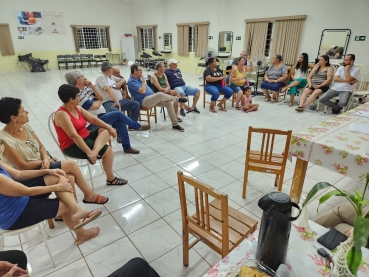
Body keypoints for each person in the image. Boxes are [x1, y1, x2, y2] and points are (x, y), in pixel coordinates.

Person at [0, 97, 108, 205]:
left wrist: (46, 158)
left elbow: (41, 146)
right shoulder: (4, 139)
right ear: (14, 118)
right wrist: (46, 162)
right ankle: (89, 196)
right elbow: (22, 166)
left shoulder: (24, 126)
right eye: (23, 111)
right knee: (70, 165)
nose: (27, 112)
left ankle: (70, 211)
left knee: (70, 177)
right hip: (27, 176)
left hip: (43, 165)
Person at [0, 160, 102, 245]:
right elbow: (26, 191)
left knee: (60, 177)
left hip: (19, 198)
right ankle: (81, 234)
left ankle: (76, 210)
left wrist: (48, 171)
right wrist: (57, 187)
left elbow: (19, 174)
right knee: (66, 206)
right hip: (13, 215)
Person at [54, 84, 128, 186]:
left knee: (106, 130)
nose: (79, 98)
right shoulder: (62, 114)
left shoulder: (77, 108)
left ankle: (95, 151)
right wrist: (88, 152)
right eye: (77, 96)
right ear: (71, 99)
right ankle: (111, 179)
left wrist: (108, 126)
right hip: (72, 145)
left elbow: (93, 119)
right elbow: (74, 136)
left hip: (86, 136)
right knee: (108, 151)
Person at [65, 71, 149, 155]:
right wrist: (98, 101)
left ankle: (127, 148)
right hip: (93, 121)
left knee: (121, 123)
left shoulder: (87, 87)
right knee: (118, 114)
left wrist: (92, 87)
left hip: (101, 115)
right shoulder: (77, 94)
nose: (85, 78)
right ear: (78, 80)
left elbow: (101, 97)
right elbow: (94, 106)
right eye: (83, 76)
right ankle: (136, 126)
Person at [127, 64, 187, 132]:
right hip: (144, 101)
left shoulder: (138, 79)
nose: (142, 72)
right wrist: (144, 80)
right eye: (140, 70)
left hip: (152, 98)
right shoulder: (131, 81)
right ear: (135, 71)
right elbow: (143, 91)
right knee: (159, 94)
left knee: (169, 103)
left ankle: (175, 124)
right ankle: (178, 99)